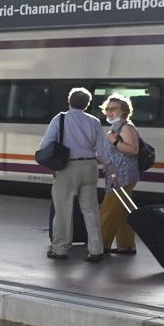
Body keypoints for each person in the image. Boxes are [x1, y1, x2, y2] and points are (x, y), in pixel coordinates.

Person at [41, 88, 105, 262]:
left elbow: (45, 144)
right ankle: (96, 249)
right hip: (90, 166)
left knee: (63, 209)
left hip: (67, 167)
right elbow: (102, 149)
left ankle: (60, 249)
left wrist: (52, 166)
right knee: (91, 209)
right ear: (87, 104)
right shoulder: (94, 122)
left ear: (69, 101)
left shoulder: (60, 119)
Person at [97, 95, 141, 256]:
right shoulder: (117, 127)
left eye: (113, 109)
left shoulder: (126, 127)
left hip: (122, 176)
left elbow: (133, 150)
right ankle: (126, 244)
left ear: (123, 111)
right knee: (122, 212)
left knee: (108, 211)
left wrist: (114, 141)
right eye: (107, 109)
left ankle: (100, 245)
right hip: (117, 175)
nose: (109, 112)